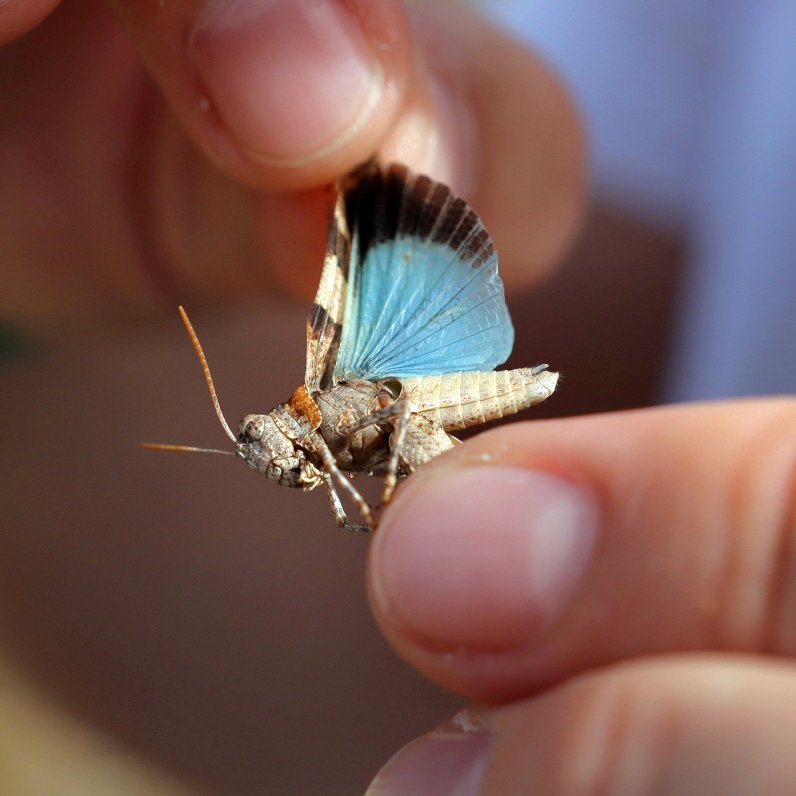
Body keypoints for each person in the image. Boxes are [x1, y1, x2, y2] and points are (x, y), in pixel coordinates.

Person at [0, 1, 793, 794]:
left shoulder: (329, 391)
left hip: (427, 380)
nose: (269, 457)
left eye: (261, 441)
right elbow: (334, 631)